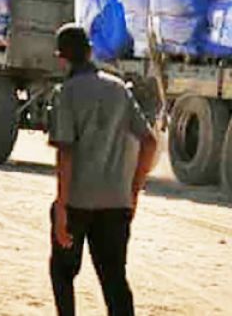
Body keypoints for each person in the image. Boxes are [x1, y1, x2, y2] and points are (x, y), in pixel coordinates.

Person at [49, 23, 159, 316]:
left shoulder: (67, 93)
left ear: (62, 58)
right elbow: (149, 142)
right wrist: (134, 190)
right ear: (90, 51)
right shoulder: (119, 89)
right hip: (116, 203)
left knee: (63, 272)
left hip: (77, 203)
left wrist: (61, 207)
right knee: (114, 281)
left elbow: (66, 152)